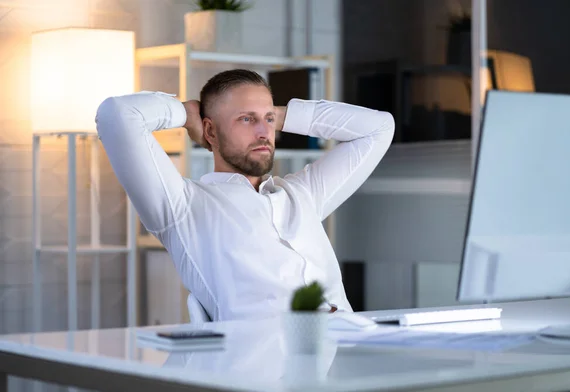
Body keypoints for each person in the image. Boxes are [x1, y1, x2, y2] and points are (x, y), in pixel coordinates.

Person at [95, 69, 394, 321]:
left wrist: (281, 115)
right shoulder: (183, 206)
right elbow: (117, 115)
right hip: (265, 375)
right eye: (247, 120)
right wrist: (186, 113)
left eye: (268, 120)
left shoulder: (301, 195)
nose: (264, 132)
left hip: (348, 359)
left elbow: (380, 128)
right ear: (210, 132)